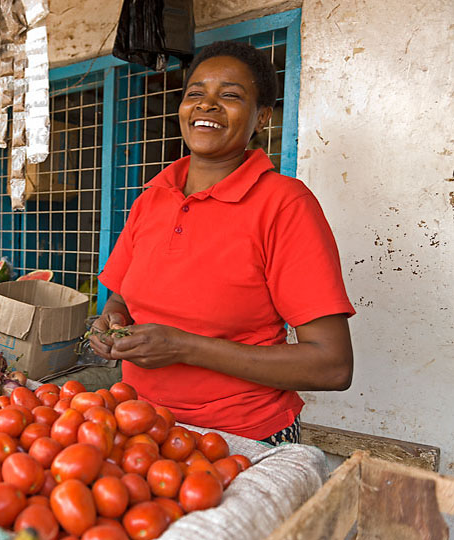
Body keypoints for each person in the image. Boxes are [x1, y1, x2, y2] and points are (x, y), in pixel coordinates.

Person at [90, 41, 355, 445]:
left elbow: (332, 366)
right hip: (141, 427)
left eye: (230, 95)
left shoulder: (285, 205)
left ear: (261, 117)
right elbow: (121, 298)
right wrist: (112, 322)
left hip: (242, 438)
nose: (207, 105)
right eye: (195, 93)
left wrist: (183, 347)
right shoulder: (151, 198)